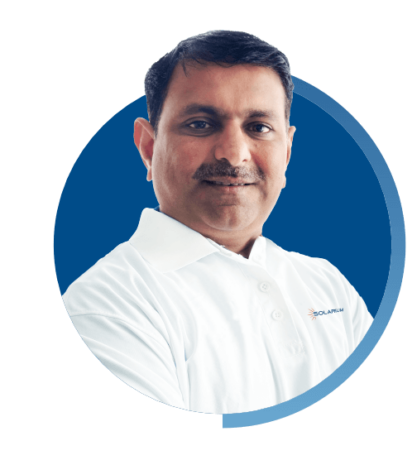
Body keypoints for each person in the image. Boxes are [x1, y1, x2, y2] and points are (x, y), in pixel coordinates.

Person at [62, 29, 373, 414]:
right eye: (200, 124)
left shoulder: (330, 287)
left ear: (287, 153)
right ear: (149, 148)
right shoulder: (106, 303)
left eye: (259, 127)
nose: (233, 153)